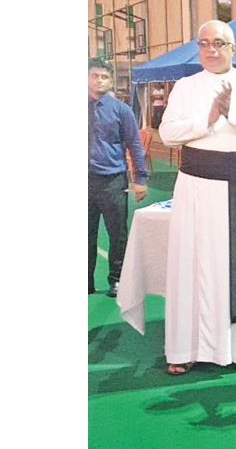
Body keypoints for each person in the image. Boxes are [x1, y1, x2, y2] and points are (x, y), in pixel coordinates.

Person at [158, 20, 236, 375]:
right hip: (195, 187)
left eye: (219, 43)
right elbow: (167, 134)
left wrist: (234, 115)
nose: (211, 50)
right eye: (204, 43)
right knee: (191, 265)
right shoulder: (185, 86)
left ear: (233, 48)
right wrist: (207, 119)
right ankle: (185, 348)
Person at [88, 58, 148, 297]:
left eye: (104, 77)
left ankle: (116, 279)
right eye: (94, 75)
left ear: (111, 81)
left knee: (118, 234)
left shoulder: (122, 110)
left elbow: (134, 145)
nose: (99, 81)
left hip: (113, 181)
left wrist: (139, 179)